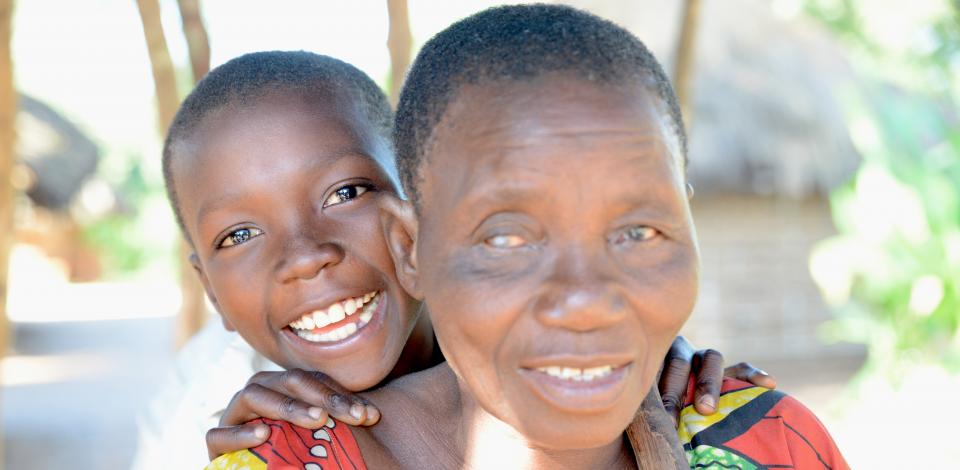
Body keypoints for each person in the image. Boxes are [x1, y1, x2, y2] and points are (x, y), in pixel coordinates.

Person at [209, 5, 848, 469]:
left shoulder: (773, 443)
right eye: (507, 239)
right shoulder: (283, 461)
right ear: (410, 250)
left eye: (639, 231)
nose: (587, 298)